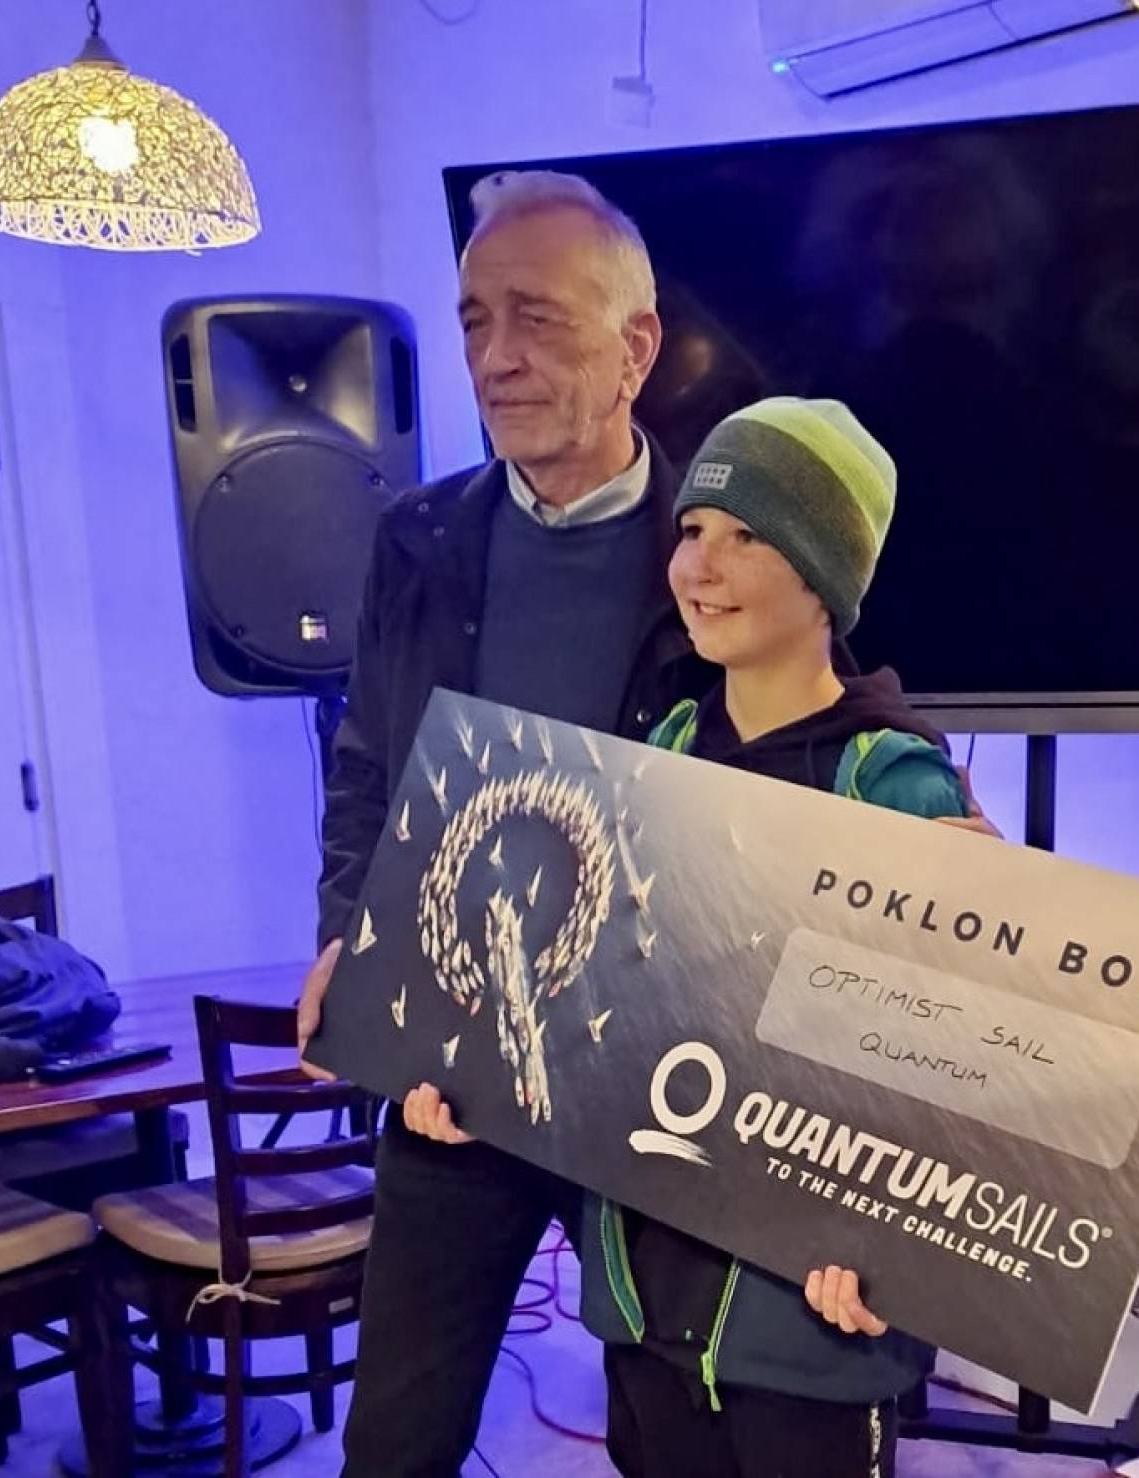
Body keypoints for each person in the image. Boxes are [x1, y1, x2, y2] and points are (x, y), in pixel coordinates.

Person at [296, 168, 706, 1478]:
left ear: (635, 347)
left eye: (536, 317)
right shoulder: (415, 536)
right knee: (394, 1443)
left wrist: (931, 800)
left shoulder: (718, 547)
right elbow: (366, 765)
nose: (495, 356)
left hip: (648, 1071)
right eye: (476, 319)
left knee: (675, 1437)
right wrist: (345, 938)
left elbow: (816, 736)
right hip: (450, 1059)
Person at [582, 397, 965, 1478]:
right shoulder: (653, 755)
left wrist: (890, 1250)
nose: (700, 566)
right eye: (693, 529)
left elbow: (946, 1079)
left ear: (825, 575)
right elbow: (588, 1003)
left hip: (804, 1329)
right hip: (647, 1297)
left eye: (748, 534)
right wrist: (465, 1079)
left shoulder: (893, 784)